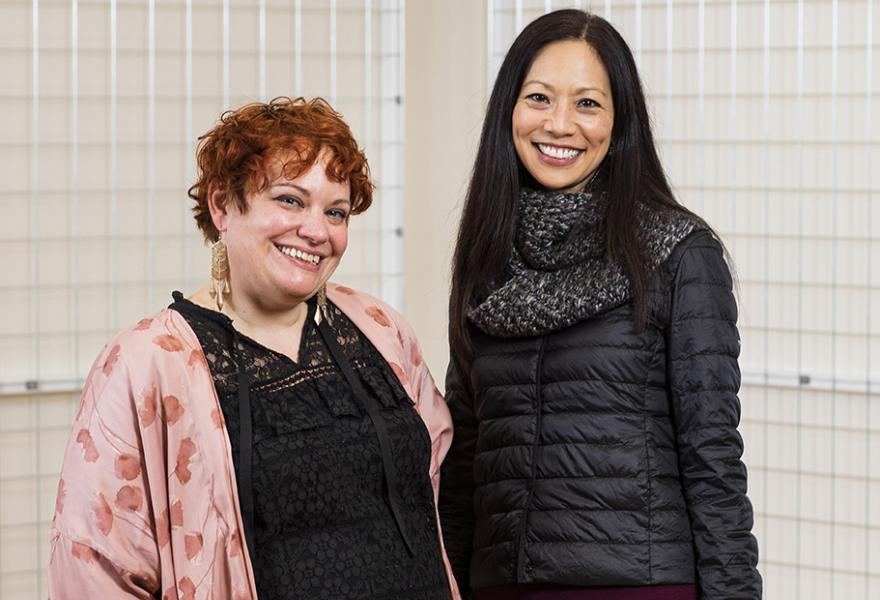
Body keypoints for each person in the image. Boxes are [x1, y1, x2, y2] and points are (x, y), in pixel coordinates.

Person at [49, 97, 460, 600]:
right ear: (223, 205)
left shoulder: (380, 329)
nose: (316, 231)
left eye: (336, 211)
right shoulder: (148, 363)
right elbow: (95, 570)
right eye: (290, 200)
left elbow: (435, 492)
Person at [439, 9, 761, 600]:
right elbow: (465, 456)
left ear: (619, 124)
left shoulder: (676, 254)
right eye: (539, 97)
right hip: (501, 583)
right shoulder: (488, 256)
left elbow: (712, 455)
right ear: (509, 111)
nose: (560, 124)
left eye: (587, 103)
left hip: (636, 584)